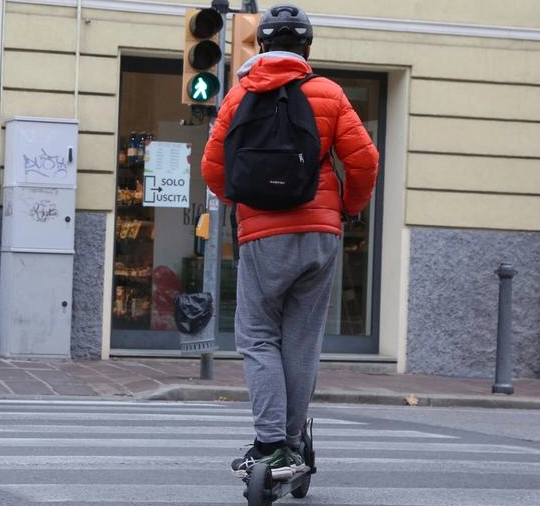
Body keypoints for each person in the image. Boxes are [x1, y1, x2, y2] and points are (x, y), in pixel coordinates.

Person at [201, 4, 379, 478]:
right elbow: (364, 161)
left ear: (260, 46)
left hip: (262, 235)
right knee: (301, 341)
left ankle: (269, 442)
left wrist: (244, 203)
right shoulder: (329, 93)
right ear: (308, 48)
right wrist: (349, 208)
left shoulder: (238, 97)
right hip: (321, 232)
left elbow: (213, 168)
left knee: (258, 338)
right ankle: (294, 444)